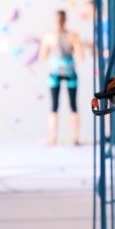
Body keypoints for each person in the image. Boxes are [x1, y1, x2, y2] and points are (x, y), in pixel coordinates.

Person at [39, 9, 84, 145]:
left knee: (54, 105)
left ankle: (53, 138)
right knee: (73, 105)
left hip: (55, 73)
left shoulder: (49, 36)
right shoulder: (72, 35)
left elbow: (42, 57)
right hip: (69, 72)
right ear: (66, 20)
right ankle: (75, 138)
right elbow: (80, 56)